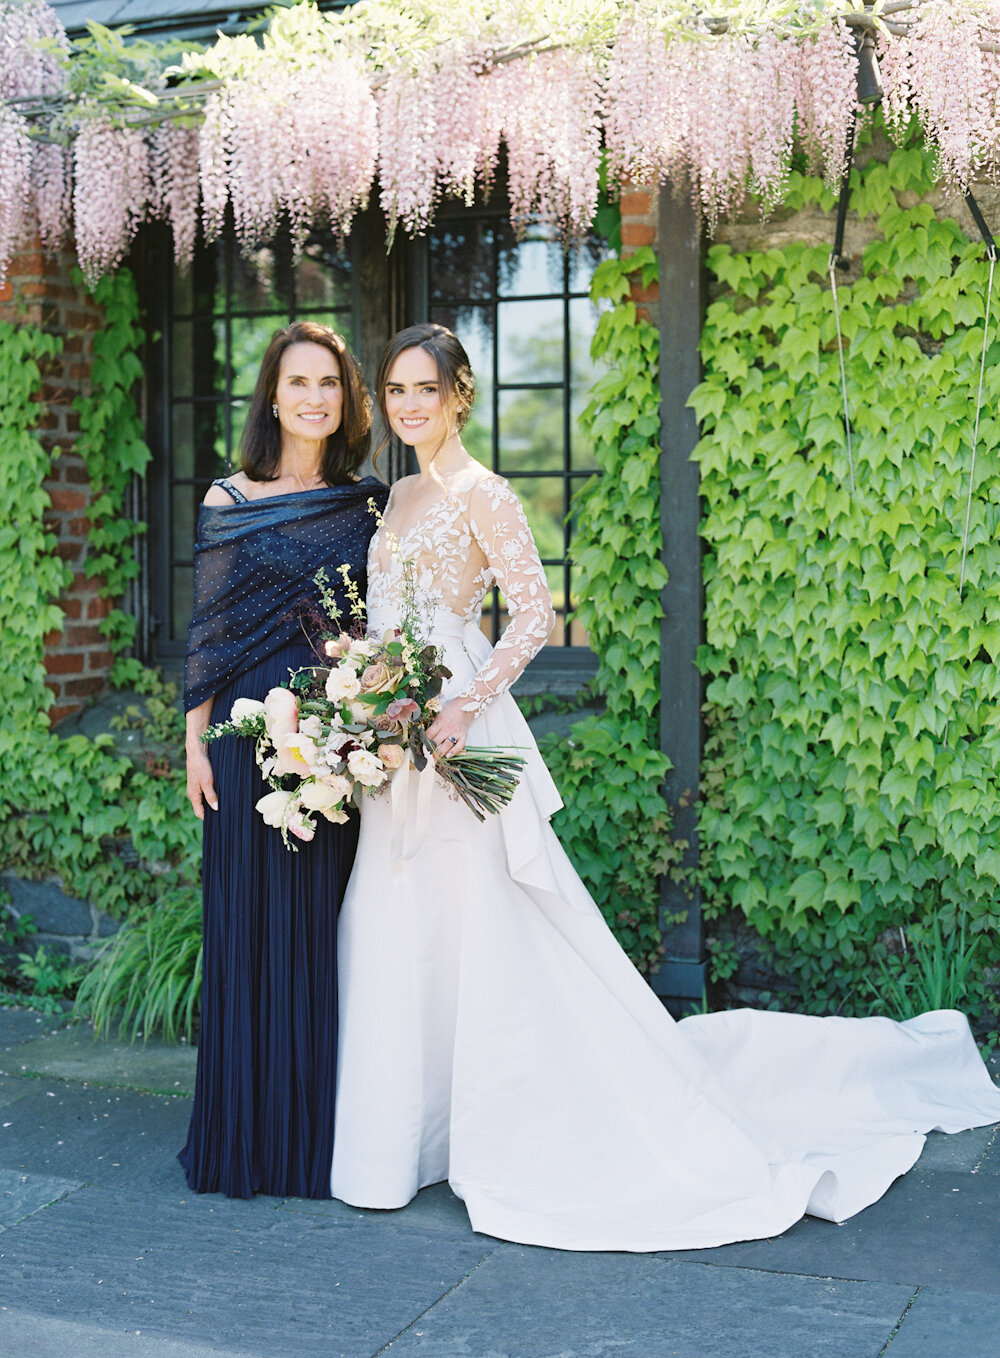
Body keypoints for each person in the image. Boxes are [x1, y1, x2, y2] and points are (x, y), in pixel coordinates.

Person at [329, 323, 1000, 1251]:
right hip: (390, 738)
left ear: (458, 397)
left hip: (453, 726)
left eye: (424, 391)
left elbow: (533, 615)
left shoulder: (486, 493)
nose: (408, 407)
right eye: (395, 391)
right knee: (396, 919)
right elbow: (383, 618)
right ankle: (400, 1141)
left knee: (479, 919)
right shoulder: (393, 494)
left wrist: (461, 704)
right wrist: (363, 693)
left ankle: (509, 1121)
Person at [180, 321, 388, 1199]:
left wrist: (374, 715)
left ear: (346, 401)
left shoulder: (367, 500)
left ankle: (312, 1145)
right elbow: (210, 633)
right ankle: (240, 1144)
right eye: (298, 382)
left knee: (315, 929)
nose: (313, 397)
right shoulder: (229, 497)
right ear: (272, 395)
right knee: (242, 927)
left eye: (330, 384)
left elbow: (382, 619)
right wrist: (192, 739)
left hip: (334, 733)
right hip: (240, 731)